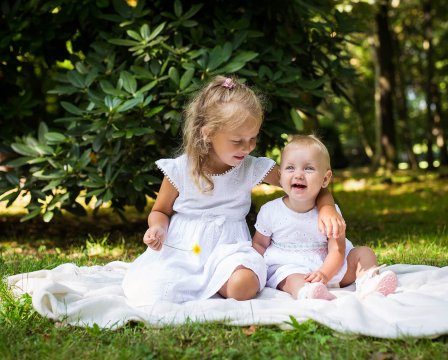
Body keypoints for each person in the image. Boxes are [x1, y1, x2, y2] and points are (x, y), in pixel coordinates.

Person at [122, 76, 345, 306]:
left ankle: (218, 282)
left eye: (253, 139)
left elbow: (306, 182)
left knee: (244, 285)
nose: (247, 148)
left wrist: (327, 207)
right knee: (156, 291)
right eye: (237, 140)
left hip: (231, 249)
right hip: (185, 249)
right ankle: (197, 281)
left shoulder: (249, 167)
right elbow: (160, 211)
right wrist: (157, 228)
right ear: (208, 133)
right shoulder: (181, 170)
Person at [252, 135, 398, 300]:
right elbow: (259, 244)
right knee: (290, 278)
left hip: (332, 266)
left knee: (364, 252)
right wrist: (256, 270)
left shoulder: (331, 212)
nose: (298, 175)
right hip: (290, 266)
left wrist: (325, 274)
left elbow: (338, 249)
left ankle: (369, 281)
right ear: (280, 175)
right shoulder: (270, 211)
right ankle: (307, 292)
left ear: (325, 179)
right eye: (290, 168)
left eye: (308, 169)